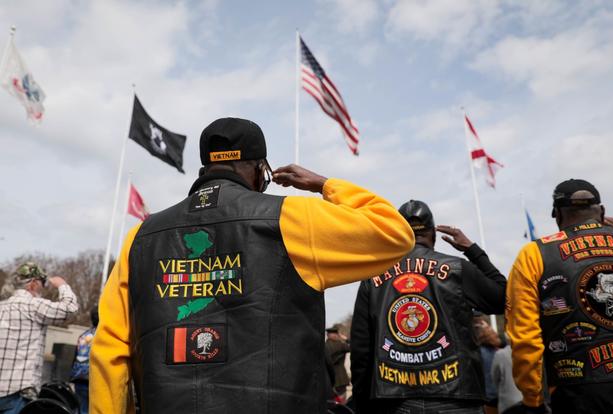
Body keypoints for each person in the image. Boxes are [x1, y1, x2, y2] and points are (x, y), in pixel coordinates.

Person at [90, 117, 415, 414]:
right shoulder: (288, 218)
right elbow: (394, 233)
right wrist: (324, 185)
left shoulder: (141, 236)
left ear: (205, 168)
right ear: (261, 171)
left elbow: (109, 351)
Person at [351, 200, 506, 414]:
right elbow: (504, 298)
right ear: (433, 233)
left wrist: (362, 404)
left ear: (397, 233)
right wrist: (472, 250)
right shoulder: (458, 269)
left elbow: (361, 351)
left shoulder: (372, 276)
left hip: (394, 400)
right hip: (457, 397)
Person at [506, 179, 613, 414]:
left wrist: (533, 399)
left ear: (557, 214)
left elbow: (525, 337)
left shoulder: (534, 254)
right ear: (602, 211)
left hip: (578, 389)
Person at [0, 262, 78, 414]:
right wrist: (62, 285)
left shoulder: (1, 307)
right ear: (33, 284)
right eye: (42, 283)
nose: (43, 287)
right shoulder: (33, 306)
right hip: (18, 392)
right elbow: (70, 308)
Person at [70, 305, 98, 414]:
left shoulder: (83, 335)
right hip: (94, 379)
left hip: (78, 378)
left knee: (81, 409)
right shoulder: (104, 336)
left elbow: (75, 357)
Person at [491, 336, 523, 414]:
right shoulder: (531, 351)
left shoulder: (500, 354)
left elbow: (494, 379)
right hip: (529, 402)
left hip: (508, 404)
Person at [325, 324, 351, 401]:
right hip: (341, 379)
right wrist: (346, 339)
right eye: (336, 334)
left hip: (328, 380)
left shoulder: (324, 346)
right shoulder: (340, 345)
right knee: (342, 402)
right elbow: (353, 346)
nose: (337, 336)